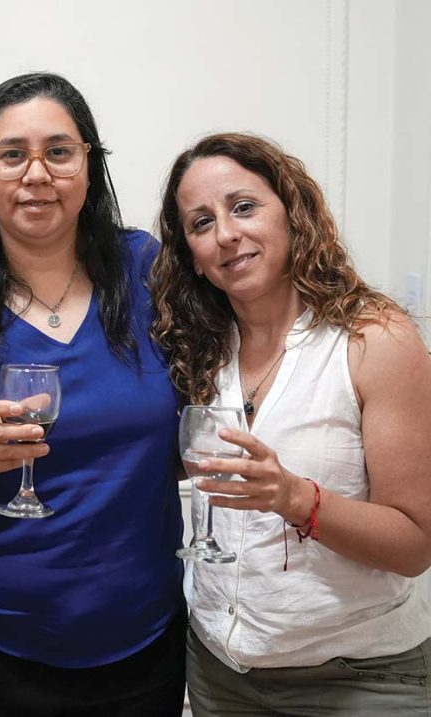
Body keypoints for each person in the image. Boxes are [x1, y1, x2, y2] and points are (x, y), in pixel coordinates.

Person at [0, 72, 186, 715]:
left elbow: (218, 386)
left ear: (90, 167)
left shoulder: (148, 272)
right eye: (12, 154)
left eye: (60, 152)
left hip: (141, 639)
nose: (36, 173)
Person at [151, 132, 431, 715]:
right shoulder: (199, 351)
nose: (226, 234)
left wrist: (295, 497)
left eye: (244, 207)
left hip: (357, 679)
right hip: (219, 674)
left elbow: (415, 545)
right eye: (201, 224)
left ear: (292, 214)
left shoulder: (374, 338)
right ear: (193, 260)